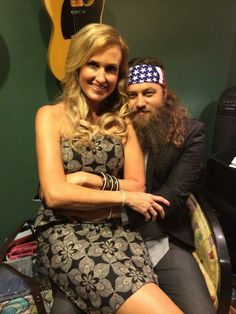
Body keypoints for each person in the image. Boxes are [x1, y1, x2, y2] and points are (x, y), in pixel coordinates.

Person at [34, 24, 183, 314]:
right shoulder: (49, 116)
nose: (102, 77)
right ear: (78, 64)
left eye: (111, 69)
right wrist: (124, 197)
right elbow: (55, 195)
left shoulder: (122, 121)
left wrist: (86, 180)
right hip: (66, 233)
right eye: (93, 64)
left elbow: (137, 185)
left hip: (118, 230)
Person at [126, 57, 216, 314]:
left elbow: (173, 196)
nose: (140, 102)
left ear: (164, 93)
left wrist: (120, 209)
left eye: (148, 93)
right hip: (114, 238)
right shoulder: (113, 130)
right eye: (132, 95)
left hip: (162, 236)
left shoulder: (190, 133)